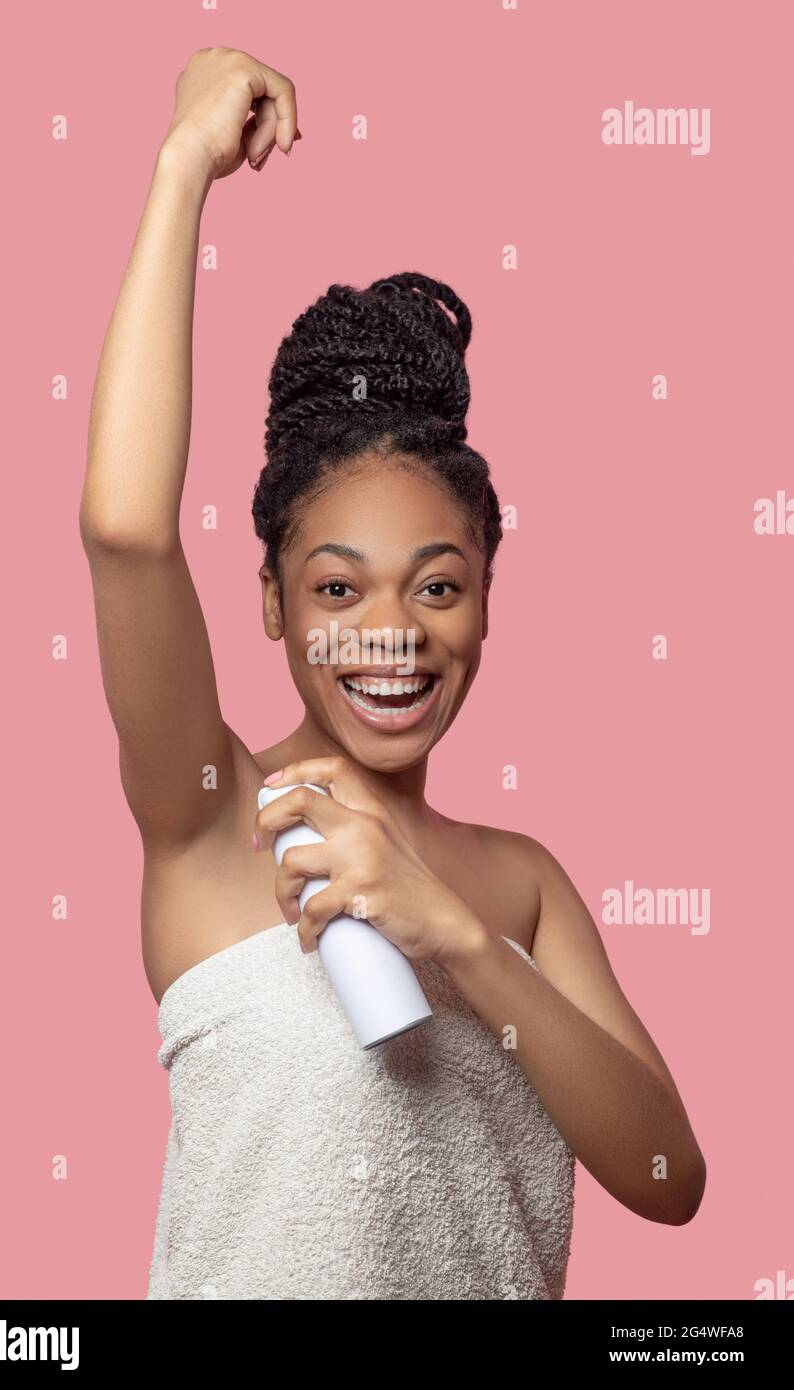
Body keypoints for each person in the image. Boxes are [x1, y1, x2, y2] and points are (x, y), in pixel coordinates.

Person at [80, 46, 706, 1300]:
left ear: (483, 596)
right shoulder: (212, 816)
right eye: (333, 588)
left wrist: (460, 939)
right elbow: (127, 532)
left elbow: (664, 1173)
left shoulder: (520, 889)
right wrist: (181, 168)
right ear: (269, 600)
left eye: (435, 584)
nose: (390, 633)